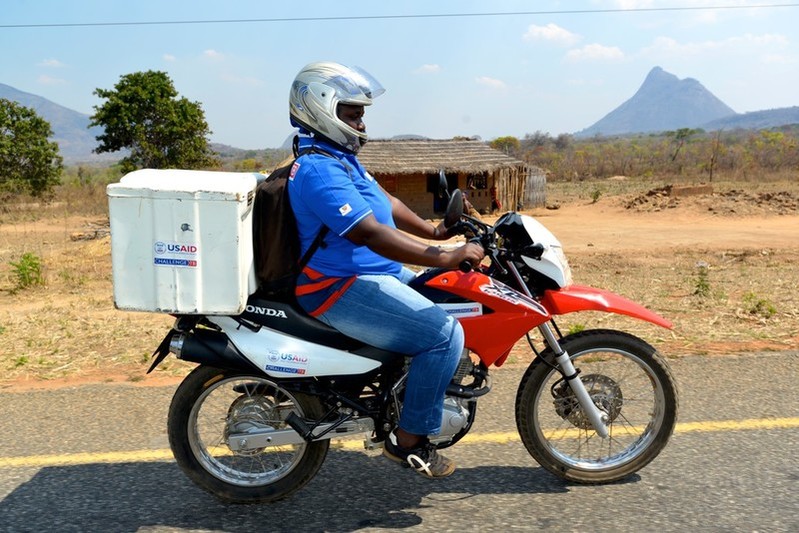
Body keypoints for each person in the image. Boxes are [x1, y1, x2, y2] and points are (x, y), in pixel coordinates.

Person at [286, 61, 484, 478]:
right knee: (444, 335)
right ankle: (409, 441)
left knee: (450, 297)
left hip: (374, 275)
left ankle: (403, 392)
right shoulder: (319, 170)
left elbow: (387, 205)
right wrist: (443, 254)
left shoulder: (337, 157)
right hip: (337, 287)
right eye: (351, 112)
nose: (361, 122)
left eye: (361, 113)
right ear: (321, 108)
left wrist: (434, 229)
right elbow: (370, 232)